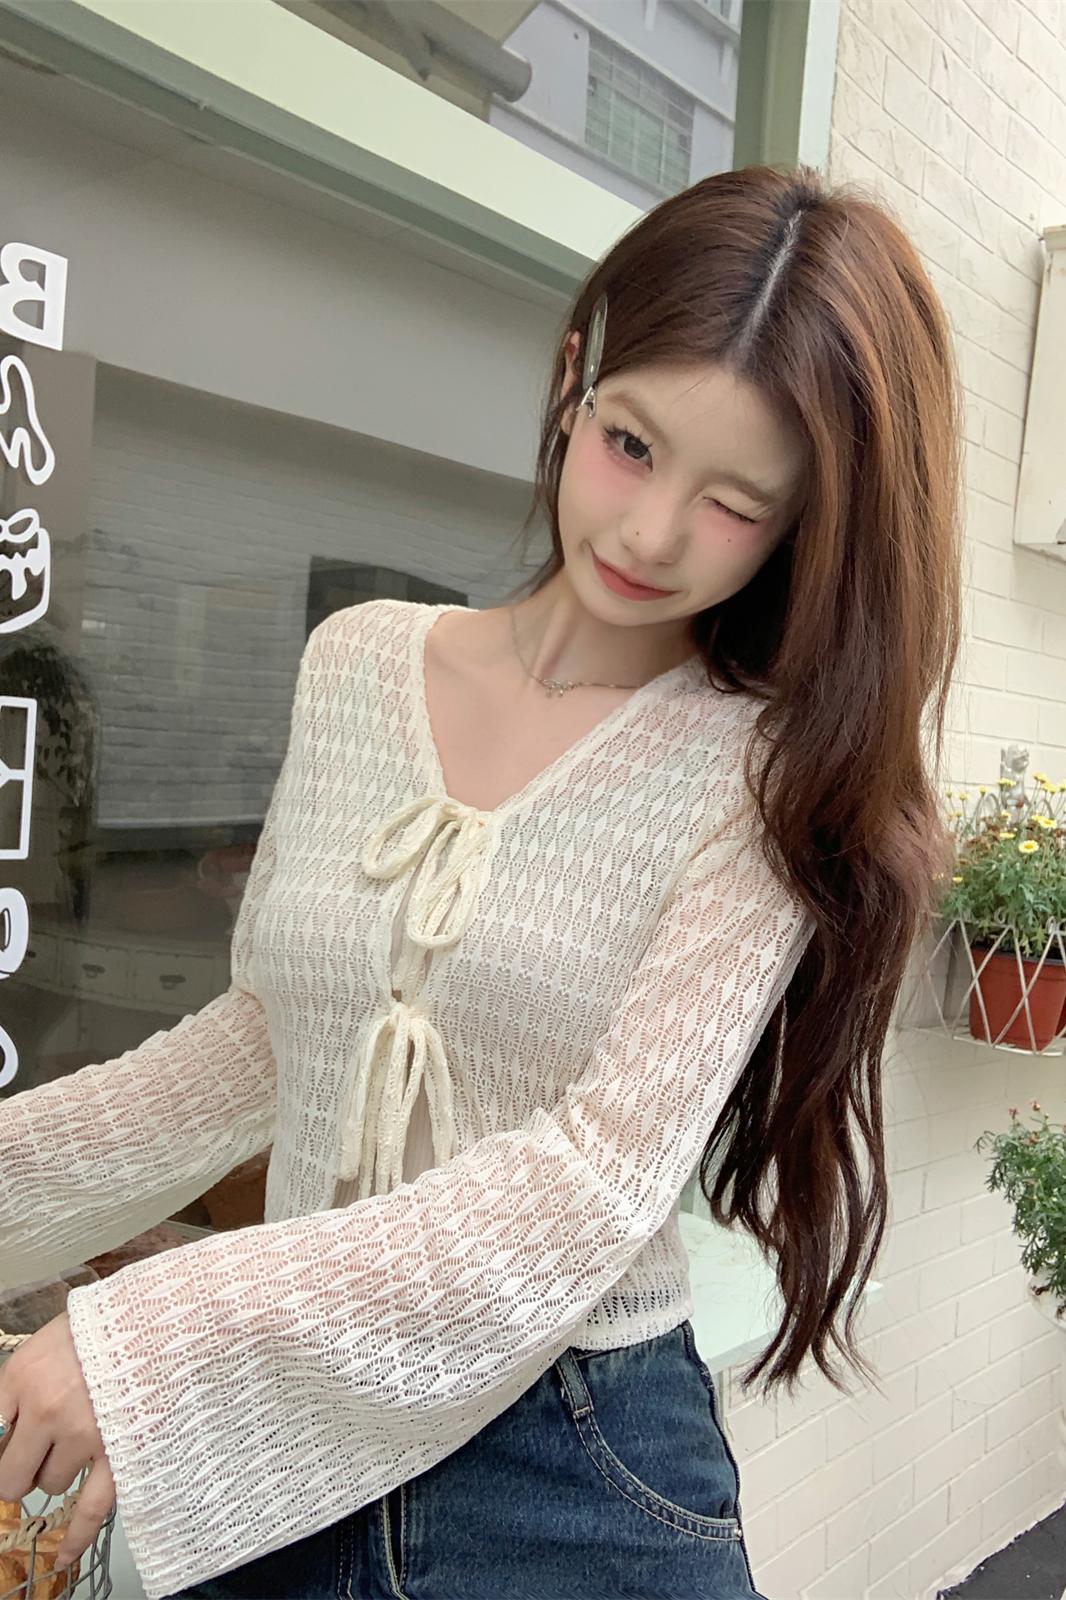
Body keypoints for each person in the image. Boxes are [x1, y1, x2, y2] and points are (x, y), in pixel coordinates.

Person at [0, 162, 963, 1600]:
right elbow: (264, 1049)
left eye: (732, 503)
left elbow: (593, 1183)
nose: (648, 534)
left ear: (802, 523)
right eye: (630, 444)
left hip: (568, 1454)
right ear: (574, 378)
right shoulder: (358, 664)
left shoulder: (768, 770)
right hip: (282, 1439)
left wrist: (152, 1335)